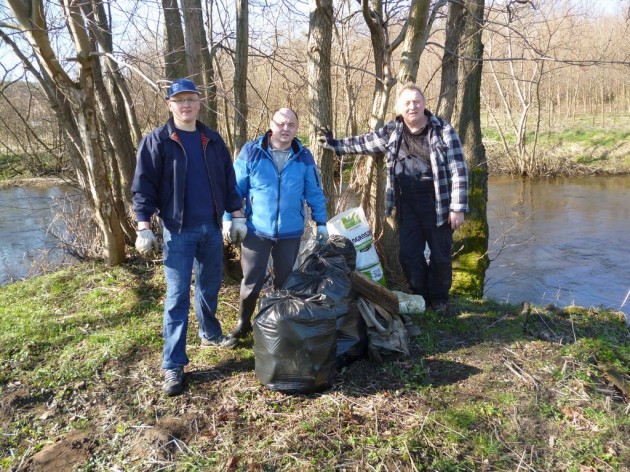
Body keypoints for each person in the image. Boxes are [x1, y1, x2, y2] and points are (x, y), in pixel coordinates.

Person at [131, 78, 247, 396]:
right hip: (177, 232)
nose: (186, 105)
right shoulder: (157, 141)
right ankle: (173, 366)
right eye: (179, 100)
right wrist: (143, 226)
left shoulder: (212, 139)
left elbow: (228, 181)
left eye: (191, 99)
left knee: (209, 286)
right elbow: (143, 187)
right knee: (178, 297)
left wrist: (236, 216)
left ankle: (209, 333)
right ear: (170, 105)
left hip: (211, 229)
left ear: (199, 103)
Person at [318, 84, 468, 312]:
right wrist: (335, 144)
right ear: (399, 108)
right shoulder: (393, 131)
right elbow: (364, 142)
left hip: (438, 205)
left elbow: (458, 170)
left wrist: (457, 207)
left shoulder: (443, 130)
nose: (412, 107)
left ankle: (439, 300)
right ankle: (421, 296)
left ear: (424, 104)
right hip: (407, 206)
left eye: (416, 101)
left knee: (440, 257)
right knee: (408, 255)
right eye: (407, 103)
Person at [223, 107, 328, 341]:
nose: (285, 128)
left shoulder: (304, 156)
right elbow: (234, 190)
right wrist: (229, 219)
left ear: (297, 129)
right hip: (255, 230)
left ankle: (279, 326)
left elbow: (314, 192)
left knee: (285, 282)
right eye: (281, 123)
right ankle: (243, 324)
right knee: (251, 281)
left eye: (291, 125)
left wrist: (321, 222)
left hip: (290, 232)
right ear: (271, 125)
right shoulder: (252, 152)